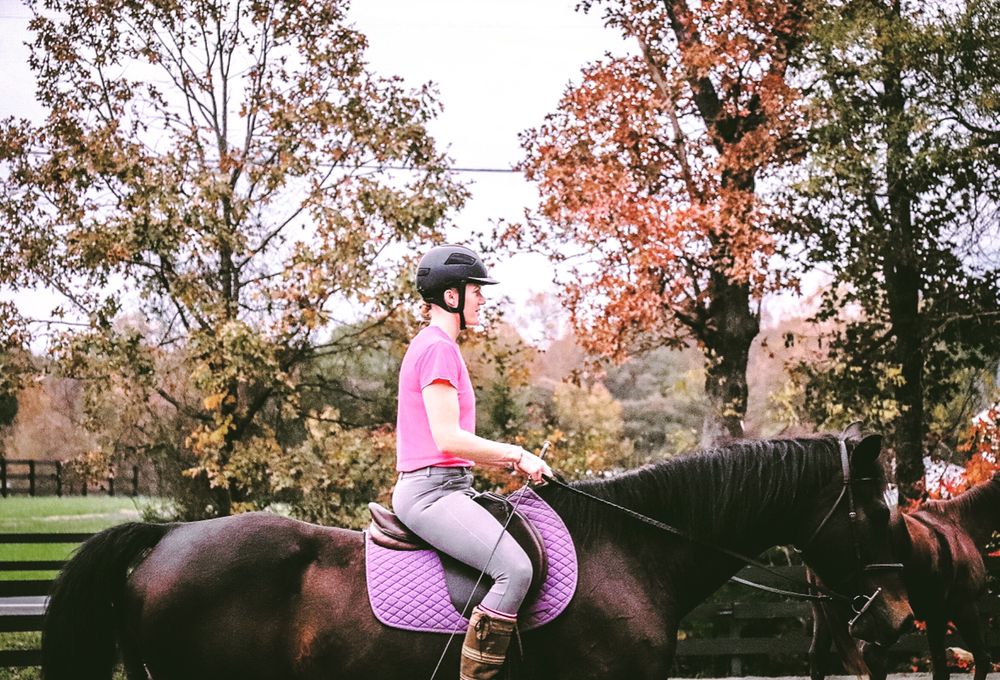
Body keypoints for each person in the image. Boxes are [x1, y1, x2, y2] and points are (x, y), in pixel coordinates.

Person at [392, 244, 552, 680]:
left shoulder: (437, 346)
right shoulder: (438, 349)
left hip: (449, 485)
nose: (482, 298)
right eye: (475, 289)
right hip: (430, 493)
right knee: (515, 570)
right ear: (451, 297)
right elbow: (447, 438)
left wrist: (503, 465)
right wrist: (516, 454)